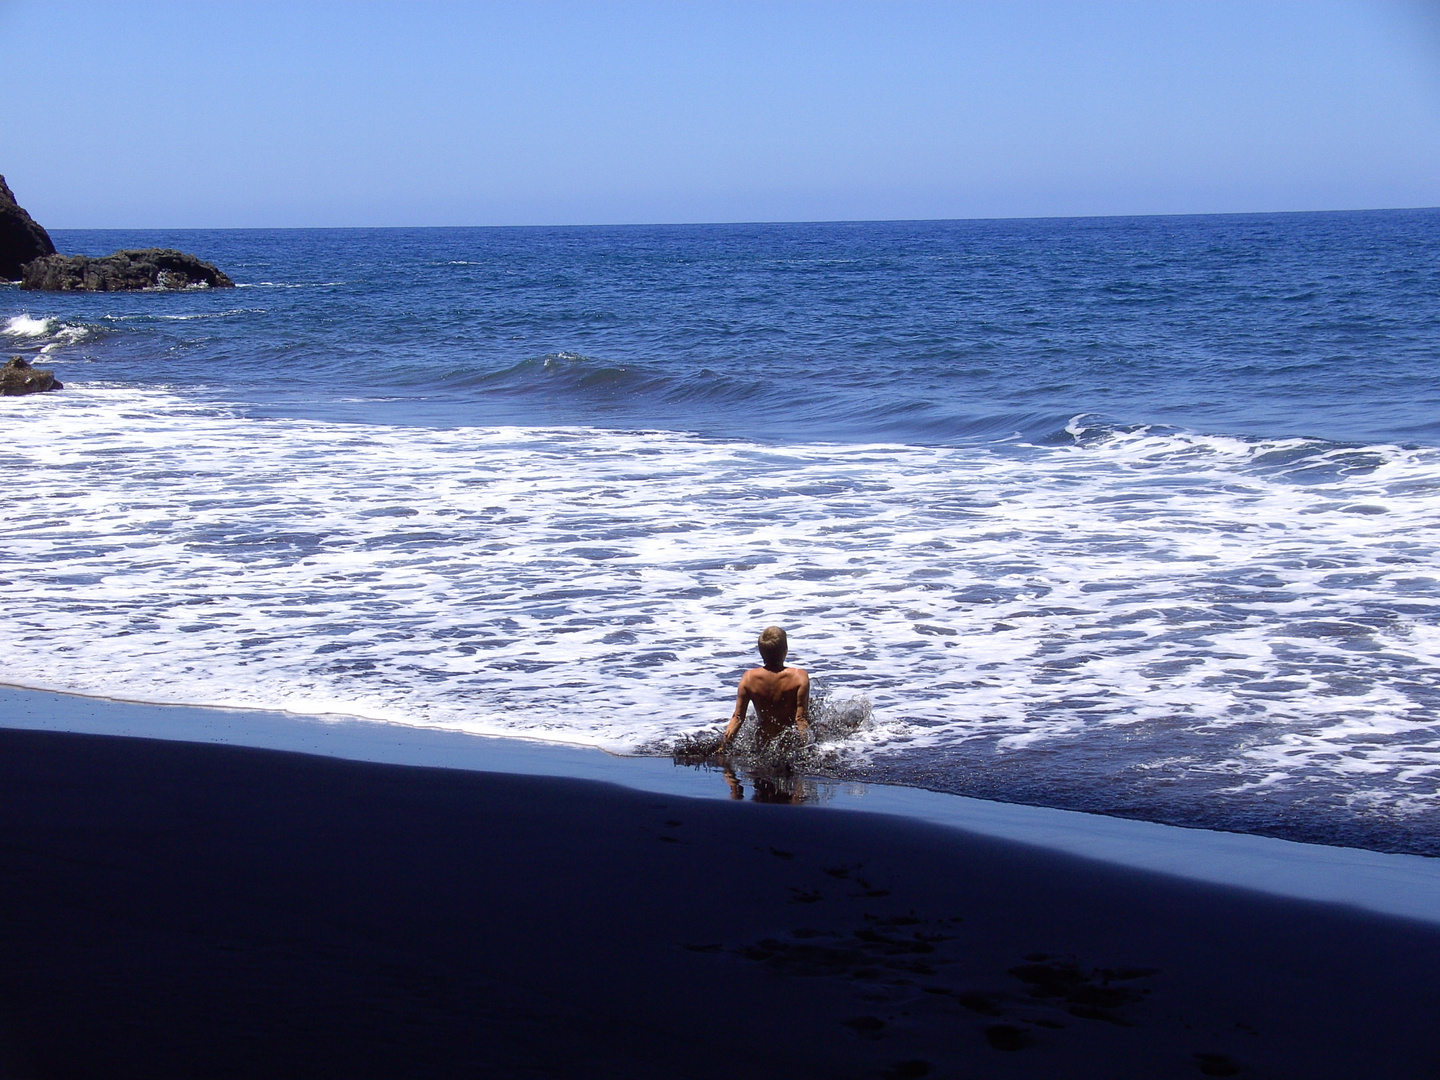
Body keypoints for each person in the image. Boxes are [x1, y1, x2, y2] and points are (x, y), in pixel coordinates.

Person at [718, 626, 810, 752]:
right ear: (785, 650)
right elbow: (800, 720)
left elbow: (737, 718)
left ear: (761, 652)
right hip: (789, 745)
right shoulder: (799, 677)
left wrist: (723, 748)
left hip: (762, 745)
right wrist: (809, 749)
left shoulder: (749, 678)